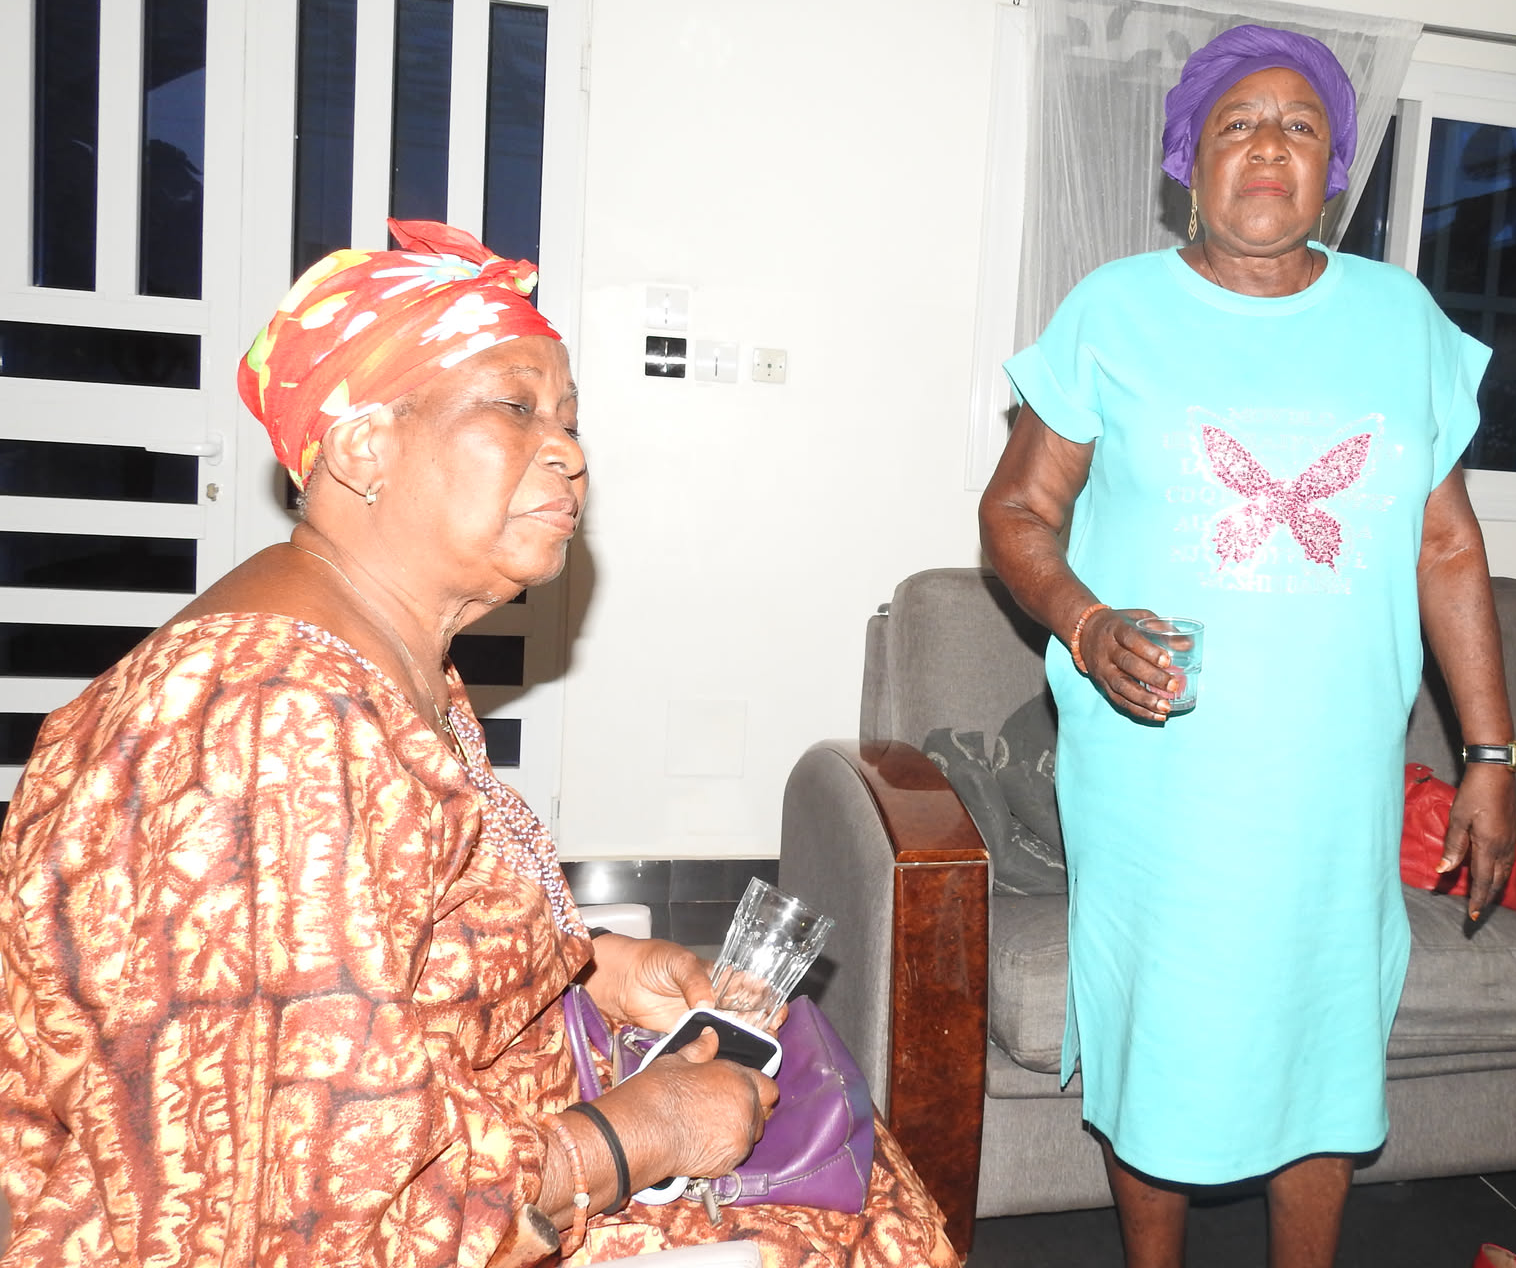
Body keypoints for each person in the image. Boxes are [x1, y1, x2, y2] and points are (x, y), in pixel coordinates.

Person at [0, 221, 957, 1268]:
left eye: (570, 419)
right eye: (514, 407)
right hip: (416, 1221)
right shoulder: (264, 731)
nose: (571, 452)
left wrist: (591, 972)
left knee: (846, 1155)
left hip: (487, 1143)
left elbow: (403, 944)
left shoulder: (387, 662)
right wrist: (640, 1134)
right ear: (363, 446)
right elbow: (304, 1207)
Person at [978, 25, 1516, 1268]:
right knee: (1162, 1025)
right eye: (1237, 123)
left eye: (1299, 125)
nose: (1268, 144)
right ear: (1190, 161)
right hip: (1161, 770)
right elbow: (1016, 510)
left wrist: (1491, 754)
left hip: (1335, 778)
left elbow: (1447, 546)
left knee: (1324, 1032)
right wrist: (1086, 621)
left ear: (1334, 168)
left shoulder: (1403, 320)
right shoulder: (1116, 310)